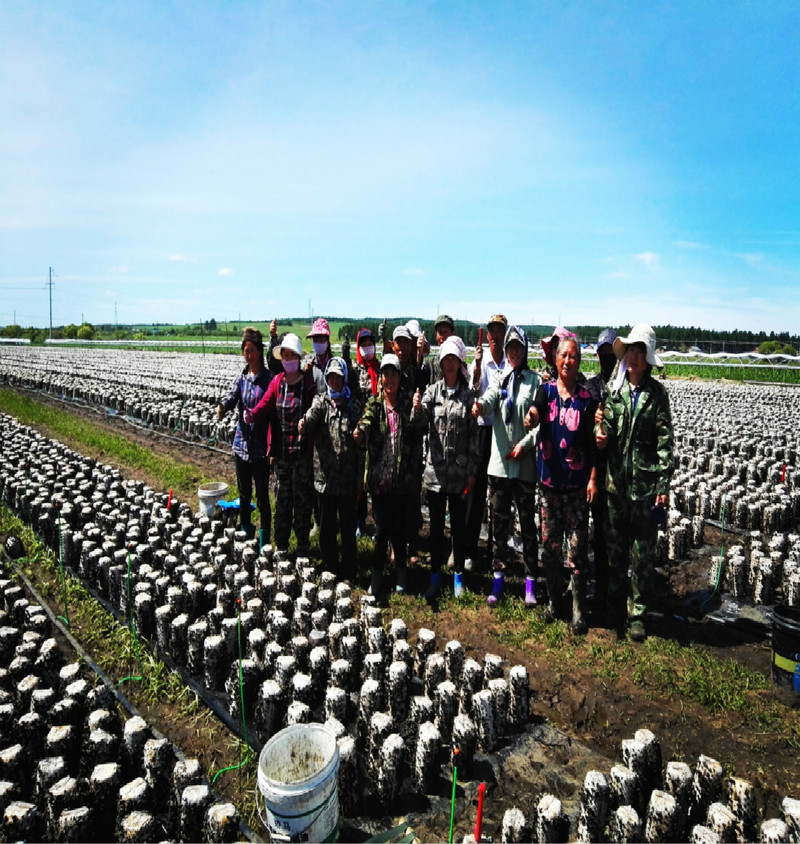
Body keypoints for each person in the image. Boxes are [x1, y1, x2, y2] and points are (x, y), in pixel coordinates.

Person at [595, 323, 674, 642]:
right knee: (615, 553)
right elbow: (608, 432)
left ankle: (638, 613)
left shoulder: (658, 395)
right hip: (615, 486)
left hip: (643, 490)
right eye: (631, 350)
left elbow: (665, 443)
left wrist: (662, 486)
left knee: (642, 555)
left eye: (640, 351)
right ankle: (616, 608)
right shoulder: (615, 392)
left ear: (648, 357)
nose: (634, 356)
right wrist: (601, 435)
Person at [525, 337, 598, 633]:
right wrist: (530, 418)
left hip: (577, 488)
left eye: (573, 356)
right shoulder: (546, 392)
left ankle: (579, 611)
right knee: (551, 548)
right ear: (555, 360)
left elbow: (595, 445)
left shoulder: (587, 399)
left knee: (577, 550)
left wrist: (593, 478)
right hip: (550, 487)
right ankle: (555, 604)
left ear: (579, 361)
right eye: (563, 356)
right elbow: (535, 411)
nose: (567, 361)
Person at [472, 325, 540, 605]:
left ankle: (530, 585)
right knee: (499, 526)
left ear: (524, 351)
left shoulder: (534, 382)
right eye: (509, 348)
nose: (512, 352)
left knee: (527, 527)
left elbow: (540, 424)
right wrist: (480, 406)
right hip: (500, 464)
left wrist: (525, 445)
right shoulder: (499, 377)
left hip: (523, 466)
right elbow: (489, 399)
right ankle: (497, 583)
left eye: (517, 348)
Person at [412, 336, 479, 602]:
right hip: (436, 475)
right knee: (436, 527)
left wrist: (472, 470)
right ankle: (435, 576)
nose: (449, 364)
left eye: (453, 359)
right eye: (445, 360)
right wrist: (417, 409)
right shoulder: (432, 392)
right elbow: (419, 424)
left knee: (459, 529)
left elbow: (474, 437)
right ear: (440, 364)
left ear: (459, 362)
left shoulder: (468, 396)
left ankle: (458, 578)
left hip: (460, 474)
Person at [354, 353, 421, 599]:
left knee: (399, 531)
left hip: (401, 481)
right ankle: (377, 578)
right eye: (385, 374)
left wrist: (417, 410)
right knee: (382, 532)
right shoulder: (374, 404)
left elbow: (419, 430)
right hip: (380, 482)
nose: (389, 379)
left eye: (393, 374)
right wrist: (360, 431)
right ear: (380, 378)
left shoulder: (406, 405)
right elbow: (366, 421)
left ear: (399, 378)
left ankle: (401, 578)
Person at [244, 333, 316, 559]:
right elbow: (265, 403)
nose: (288, 359)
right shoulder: (277, 382)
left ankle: (303, 548)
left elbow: (317, 409)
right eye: (285, 355)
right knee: (282, 502)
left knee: (303, 504)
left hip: (302, 456)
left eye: (292, 355)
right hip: (282, 456)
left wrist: (309, 424)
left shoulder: (307, 383)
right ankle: (282, 547)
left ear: (299, 358)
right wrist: (252, 414)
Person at [299, 357, 363, 582]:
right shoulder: (321, 402)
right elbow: (309, 419)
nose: (335, 381)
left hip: (346, 479)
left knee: (347, 528)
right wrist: (304, 423)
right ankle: (329, 567)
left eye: (338, 377)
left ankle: (348, 569)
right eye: (331, 377)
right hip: (324, 478)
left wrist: (359, 476)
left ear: (345, 378)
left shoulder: (353, 405)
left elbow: (361, 442)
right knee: (327, 528)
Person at [217, 327, 274, 543]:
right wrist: (223, 406)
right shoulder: (241, 378)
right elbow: (232, 397)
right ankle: (246, 533)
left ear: (259, 351)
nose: (248, 355)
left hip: (260, 449)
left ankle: (264, 540)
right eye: (245, 351)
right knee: (243, 494)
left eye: (252, 350)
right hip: (241, 446)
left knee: (262, 497)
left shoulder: (269, 379)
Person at [466, 313, 510, 571]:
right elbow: (473, 392)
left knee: (499, 492)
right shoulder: (481, 363)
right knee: (476, 489)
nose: (494, 336)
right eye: (491, 331)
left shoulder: (509, 362)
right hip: (483, 430)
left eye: (499, 331)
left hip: (502, 431)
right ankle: (470, 550)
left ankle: (496, 553)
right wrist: (475, 370)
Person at [584, 328, 618, 606]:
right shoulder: (591, 388)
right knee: (595, 531)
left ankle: (616, 589)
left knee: (615, 532)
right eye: (603, 352)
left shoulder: (625, 386)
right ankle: (600, 587)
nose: (606, 356)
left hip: (619, 471)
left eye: (611, 352)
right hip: (595, 468)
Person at [392, 323, 430, 564]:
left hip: (413, 441)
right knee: (394, 494)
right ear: (393, 346)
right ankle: (396, 544)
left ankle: (413, 544)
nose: (402, 348)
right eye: (399, 343)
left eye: (406, 343)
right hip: (394, 439)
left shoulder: (417, 371)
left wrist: (420, 355)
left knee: (413, 494)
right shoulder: (390, 369)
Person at [306, 318, 334, 394]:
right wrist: (305, 372)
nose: (318, 343)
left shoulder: (334, 363)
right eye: (315, 340)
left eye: (321, 340)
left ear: (327, 341)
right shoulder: (307, 362)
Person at [354, 326, 381, 401]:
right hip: (359, 411)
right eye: (364, 345)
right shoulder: (355, 369)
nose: (367, 348)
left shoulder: (380, 367)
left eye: (370, 344)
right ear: (359, 348)